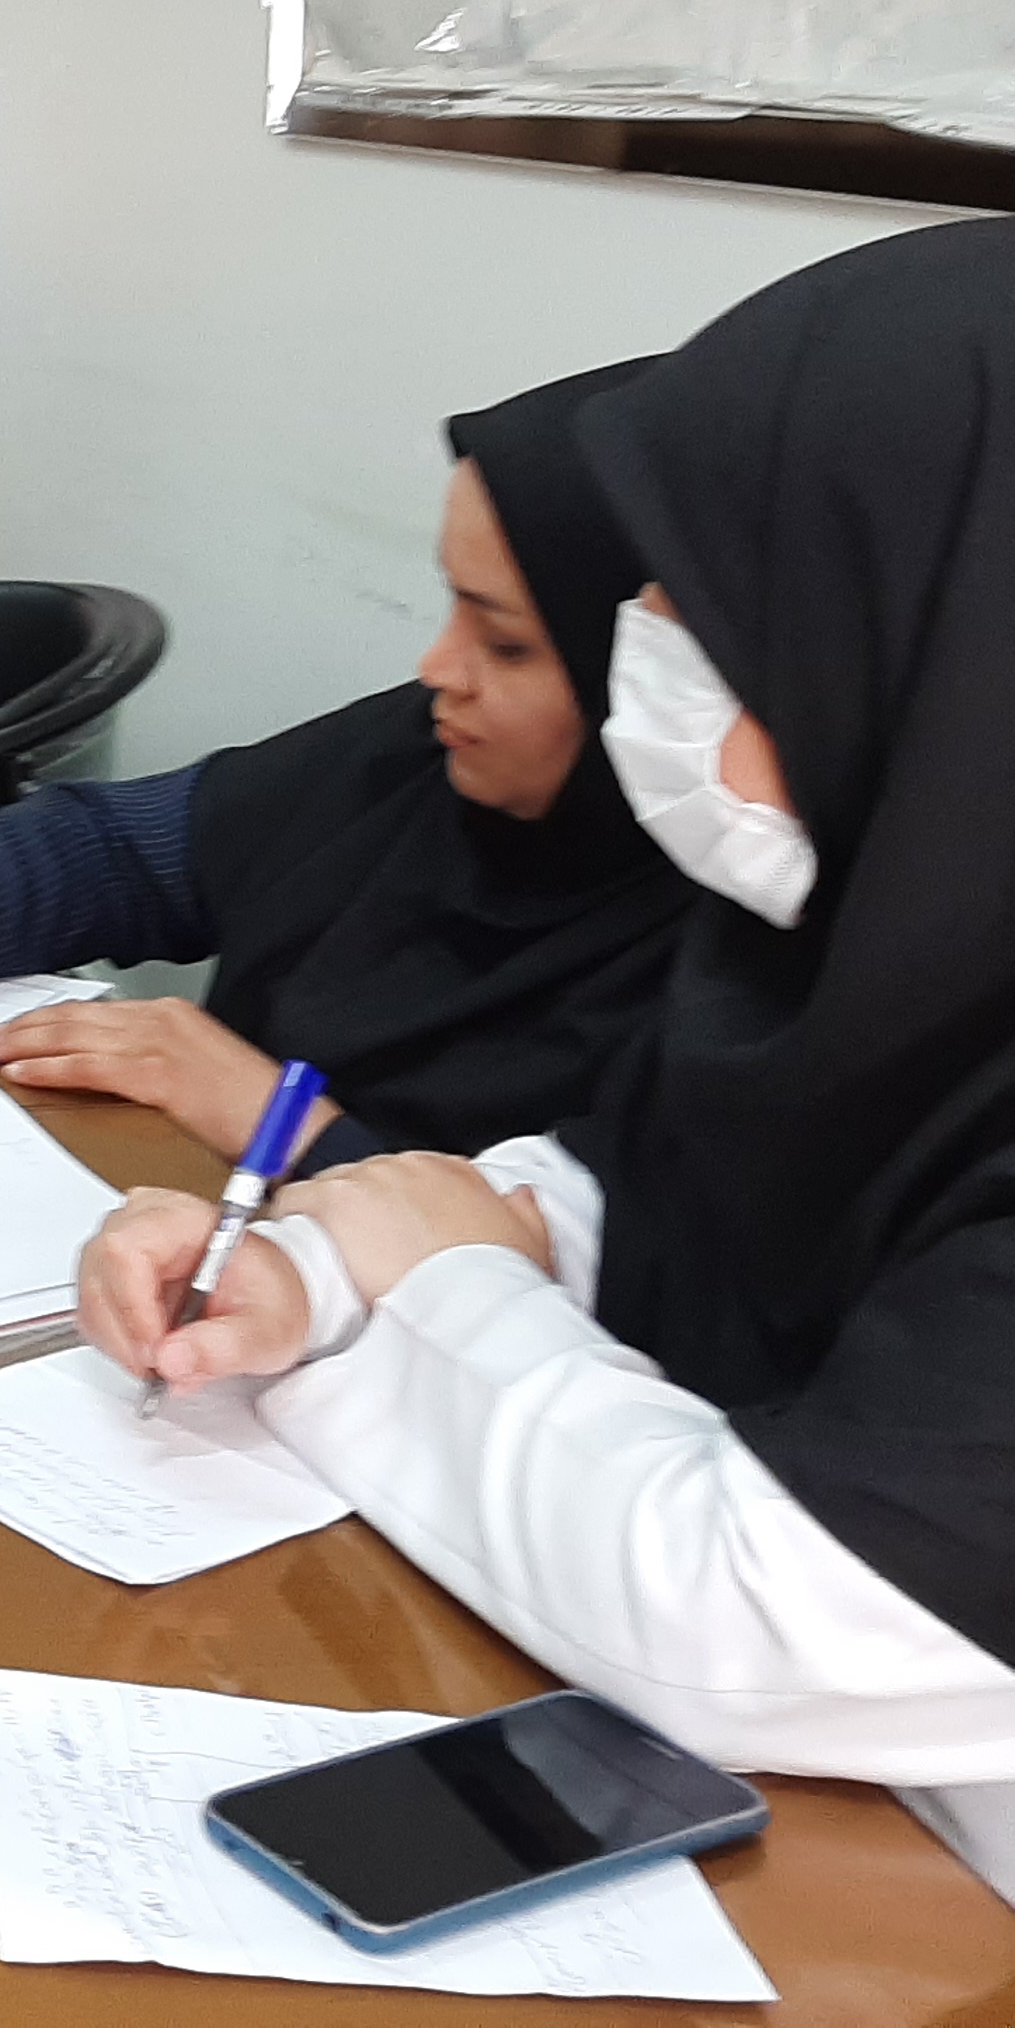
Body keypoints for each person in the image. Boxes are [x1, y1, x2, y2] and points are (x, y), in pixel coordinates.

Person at [79, 228, 1015, 1891]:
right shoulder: (852, 942)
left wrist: (422, 1295)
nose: (641, 635)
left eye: (711, 604)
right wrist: (301, 1275)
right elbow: (610, 1190)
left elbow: (735, 1616)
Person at [0, 362, 687, 1165]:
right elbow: (113, 850)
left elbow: (583, 1297)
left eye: (506, 644)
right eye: (453, 606)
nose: (437, 668)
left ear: (656, 675)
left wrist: (273, 1119)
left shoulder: (727, 977)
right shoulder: (419, 757)